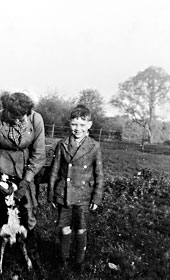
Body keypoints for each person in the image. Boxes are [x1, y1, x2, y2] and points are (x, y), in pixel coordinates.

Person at [0, 92, 46, 259]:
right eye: (12, 115)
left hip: (24, 171)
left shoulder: (36, 120)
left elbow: (39, 154)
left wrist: (27, 181)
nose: (16, 120)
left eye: (21, 117)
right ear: (6, 110)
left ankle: (30, 255)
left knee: (27, 213)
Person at [47, 104, 104, 272]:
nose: (77, 129)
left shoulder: (94, 146)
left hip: (84, 196)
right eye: (74, 124)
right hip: (64, 194)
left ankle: (79, 261)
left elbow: (99, 174)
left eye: (82, 125)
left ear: (89, 125)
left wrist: (96, 197)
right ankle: (63, 258)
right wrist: (51, 194)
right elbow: (54, 171)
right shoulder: (62, 144)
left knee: (80, 228)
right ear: (69, 124)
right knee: (64, 227)